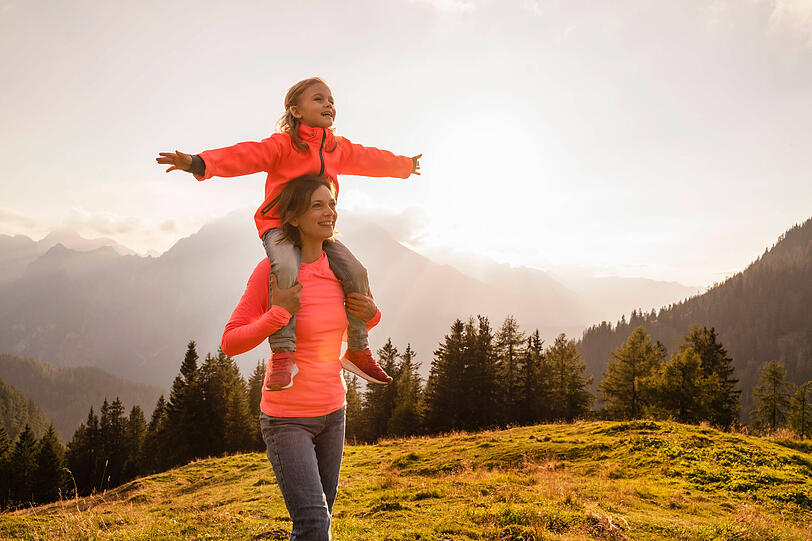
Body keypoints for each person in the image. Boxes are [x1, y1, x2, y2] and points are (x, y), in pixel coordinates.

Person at [157, 77, 420, 391]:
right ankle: (283, 353)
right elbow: (244, 155)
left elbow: (369, 159)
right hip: (278, 226)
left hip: (319, 233)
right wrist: (200, 163)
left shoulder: (337, 148)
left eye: (331, 100)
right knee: (285, 268)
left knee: (356, 271)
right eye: (319, 99)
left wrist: (403, 165)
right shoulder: (282, 146)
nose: (329, 105)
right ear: (295, 110)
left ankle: (358, 349)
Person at [221, 175, 379, 540]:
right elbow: (230, 343)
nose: (330, 213)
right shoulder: (272, 272)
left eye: (332, 204)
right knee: (313, 524)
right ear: (292, 217)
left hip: (334, 413)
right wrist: (277, 314)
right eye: (318, 206)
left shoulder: (342, 271)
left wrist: (372, 311)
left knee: (320, 518)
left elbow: (366, 317)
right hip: (287, 419)